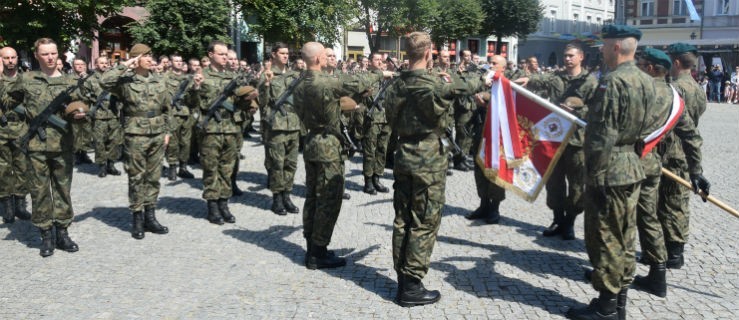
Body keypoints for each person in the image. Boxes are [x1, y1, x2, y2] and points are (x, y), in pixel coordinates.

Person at [384, 32, 485, 307]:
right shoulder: (435, 83)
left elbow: (390, 119)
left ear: (407, 53)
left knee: (403, 219)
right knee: (425, 222)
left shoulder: (395, 86)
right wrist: (486, 77)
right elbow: (468, 85)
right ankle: (412, 286)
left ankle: (403, 279)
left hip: (404, 154)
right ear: (428, 53)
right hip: (428, 158)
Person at [565, 25, 658, 320]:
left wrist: (593, 173)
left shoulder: (612, 82)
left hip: (610, 169)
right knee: (625, 237)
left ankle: (605, 308)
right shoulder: (647, 80)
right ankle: (618, 303)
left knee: (605, 237)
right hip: (632, 165)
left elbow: (602, 135)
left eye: (604, 46)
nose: (601, 51)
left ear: (616, 47)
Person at [293, 42, 385, 270]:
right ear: (316, 59)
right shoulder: (325, 82)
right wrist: (379, 73)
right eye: (325, 54)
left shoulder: (299, 83)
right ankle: (318, 252)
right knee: (328, 199)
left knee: (312, 198)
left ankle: (312, 245)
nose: (327, 58)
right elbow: (358, 82)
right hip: (328, 146)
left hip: (312, 142)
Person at [1, 38, 90, 256]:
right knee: (39, 192)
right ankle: (46, 235)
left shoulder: (70, 81)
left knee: (62, 190)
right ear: (37, 56)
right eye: (45, 54)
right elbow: (7, 101)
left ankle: (63, 233)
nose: (50, 57)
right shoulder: (27, 79)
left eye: (53, 53)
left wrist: (80, 113)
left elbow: (83, 104)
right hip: (36, 146)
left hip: (63, 145)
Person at [632, 48, 705, 298]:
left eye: (640, 63)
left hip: (641, 160)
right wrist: (696, 170)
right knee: (653, 214)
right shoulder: (679, 94)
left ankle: (615, 277)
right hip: (658, 160)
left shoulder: (643, 92)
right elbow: (693, 134)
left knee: (629, 216)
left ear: (652, 68)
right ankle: (659, 270)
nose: (637, 67)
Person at [100, 43, 192, 239]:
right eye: (146, 56)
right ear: (136, 59)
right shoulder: (125, 81)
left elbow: (167, 108)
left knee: (153, 176)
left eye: (152, 56)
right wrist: (125, 64)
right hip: (135, 133)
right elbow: (104, 81)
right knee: (136, 176)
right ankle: (137, 217)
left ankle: (151, 215)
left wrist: (168, 131)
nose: (151, 59)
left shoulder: (159, 80)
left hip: (158, 132)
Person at [514, 42, 598, 240]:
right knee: (554, 184)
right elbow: (538, 81)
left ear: (581, 57)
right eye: (565, 56)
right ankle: (558, 219)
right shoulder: (556, 78)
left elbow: (597, 110)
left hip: (577, 142)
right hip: (554, 139)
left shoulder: (590, 82)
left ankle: (569, 221)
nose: (567, 59)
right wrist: (526, 79)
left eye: (571, 56)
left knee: (577, 187)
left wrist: (578, 110)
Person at [658, 42, 711, 269]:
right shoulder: (698, 88)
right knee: (678, 202)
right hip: (687, 151)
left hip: (671, 151)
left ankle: (672, 253)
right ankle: (674, 251)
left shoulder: (675, 88)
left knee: (668, 203)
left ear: (676, 62)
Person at [196, 41, 256, 225]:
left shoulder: (234, 77)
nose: (225, 57)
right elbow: (191, 102)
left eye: (226, 54)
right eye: (221, 54)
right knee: (211, 168)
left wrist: (249, 100)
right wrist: (195, 88)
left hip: (231, 128)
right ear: (210, 55)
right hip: (211, 129)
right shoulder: (201, 76)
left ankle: (224, 203)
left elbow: (243, 106)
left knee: (227, 168)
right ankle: (212, 206)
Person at [259, 43, 302, 215]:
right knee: (277, 163)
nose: (286, 56)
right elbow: (262, 102)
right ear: (274, 55)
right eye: (282, 53)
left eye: (287, 53)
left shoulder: (294, 75)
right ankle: (277, 198)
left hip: (293, 125)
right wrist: (267, 84)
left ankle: (287, 195)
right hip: (276, 126)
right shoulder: (267, 75)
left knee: (291, 163)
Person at [465, 55, 507, 225]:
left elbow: (505, 109)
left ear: (502, 68)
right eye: (490, 63)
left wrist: (487, 104)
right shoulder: (485, 82)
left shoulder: (506, 85)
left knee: (495, 170)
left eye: (494, 63)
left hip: (497, 136)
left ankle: (494, 208)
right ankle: (483, 204)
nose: (491, 65)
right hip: (480, 132)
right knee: (479, 168)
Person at [0, 46, 32, 223]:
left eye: (13, 57)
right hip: (1, 129)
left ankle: (20, 204)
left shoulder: (25, 79)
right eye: (6, 58)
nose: (10, 61)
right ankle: (7, 206)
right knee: (3, 168)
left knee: (22, 166)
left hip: (21, 128)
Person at [84, 56, 123, 178]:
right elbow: (85, 98)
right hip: (98, 116)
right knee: (99, 142)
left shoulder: (114, 79)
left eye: (106, 63)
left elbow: (121, 94)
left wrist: (119, 107)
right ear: (96, 65)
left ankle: (111, 165)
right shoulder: (90, 80)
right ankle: (102, 166)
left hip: (113, 114)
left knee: (113, 141)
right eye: (101, 63)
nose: (104, 65)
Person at [360, 52, 392, 195]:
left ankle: (377, 178)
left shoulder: (387, 78)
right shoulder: (366, 77)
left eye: (381, 60)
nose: (379, 62)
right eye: (376, 59)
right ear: (370, 61)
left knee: (382, 150)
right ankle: (368, 182)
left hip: (386, 119)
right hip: (372, 119)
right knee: (369, 151)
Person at [164, 53, 197, 181]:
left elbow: (193, 100)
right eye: (176, 61)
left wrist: (195, 90)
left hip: (185, 113)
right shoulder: (164, 78)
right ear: (171, 63)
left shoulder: (187, 79)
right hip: (172, 113)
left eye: (180, 61)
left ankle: (183, 167)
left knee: (186, 142)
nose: (178, 63)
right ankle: (172, 167)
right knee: (173, 142)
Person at [71, 57, 95, 165]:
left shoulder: (91, 79)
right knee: (75, 133)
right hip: (75, 108)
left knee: (86, 132)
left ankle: (84, 153)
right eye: (77, 64)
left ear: (85, 66)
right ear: (73, 66)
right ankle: (76, 154)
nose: (80, 66)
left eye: (82, 64)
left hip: (87, 107)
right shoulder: (69, 79)